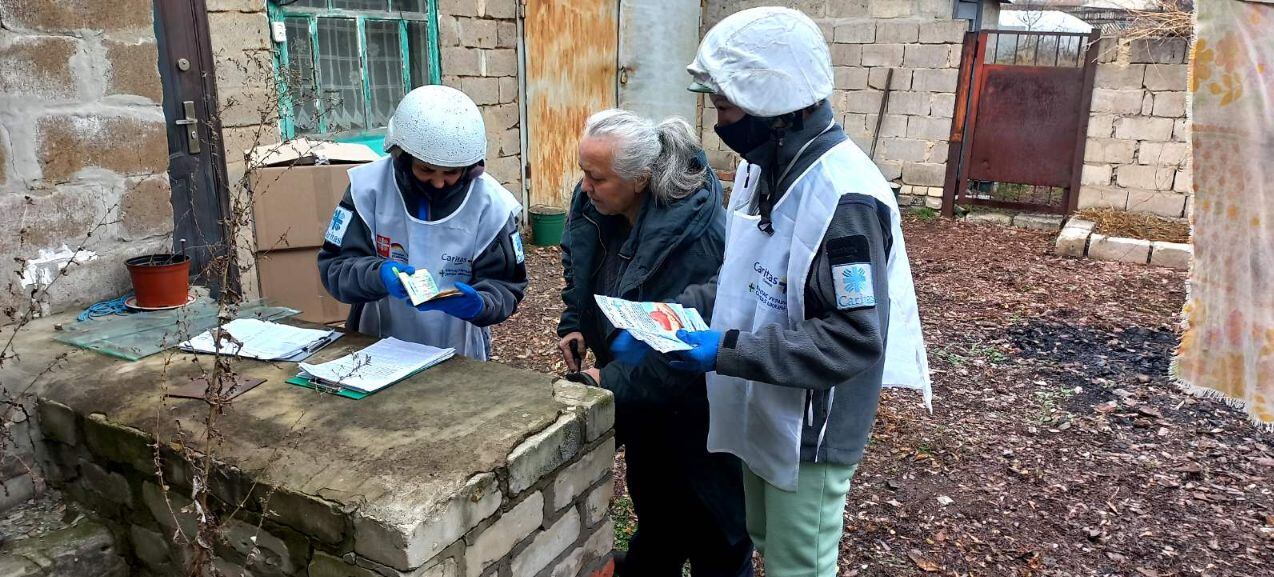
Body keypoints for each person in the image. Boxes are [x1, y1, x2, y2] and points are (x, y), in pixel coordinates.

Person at [609, 7, 931, 576]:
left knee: (797, 564)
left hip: (811, 427)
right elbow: (744, 277)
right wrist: (673, 315)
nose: (715, 121)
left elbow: (855, 339)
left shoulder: (845, 199)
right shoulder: (763, 170)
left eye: (726, 106)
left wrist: (722, 351)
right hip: (760, 399)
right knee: (763, 535)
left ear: (775, 110)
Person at [556, 109, 752, 577]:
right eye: (584, 171)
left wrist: (609, 379)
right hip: (635, 389)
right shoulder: (595, 201)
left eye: (597, 177)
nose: (585, 186)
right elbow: (578, 263)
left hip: (693, 400)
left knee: (716, 527)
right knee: (656, 505)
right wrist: (574, 320)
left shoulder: (697, 233)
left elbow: (679, 339)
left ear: (641, 179)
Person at [318, 85, 526, 360]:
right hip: (375, 340)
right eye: (426, 169)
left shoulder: (492, 205)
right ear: (401, 156)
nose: (438, 182)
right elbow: (335, 266)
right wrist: (377, 274)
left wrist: (481, 303)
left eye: (451, 173)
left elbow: (506, 285)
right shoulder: (367, 189)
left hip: (459, 349)